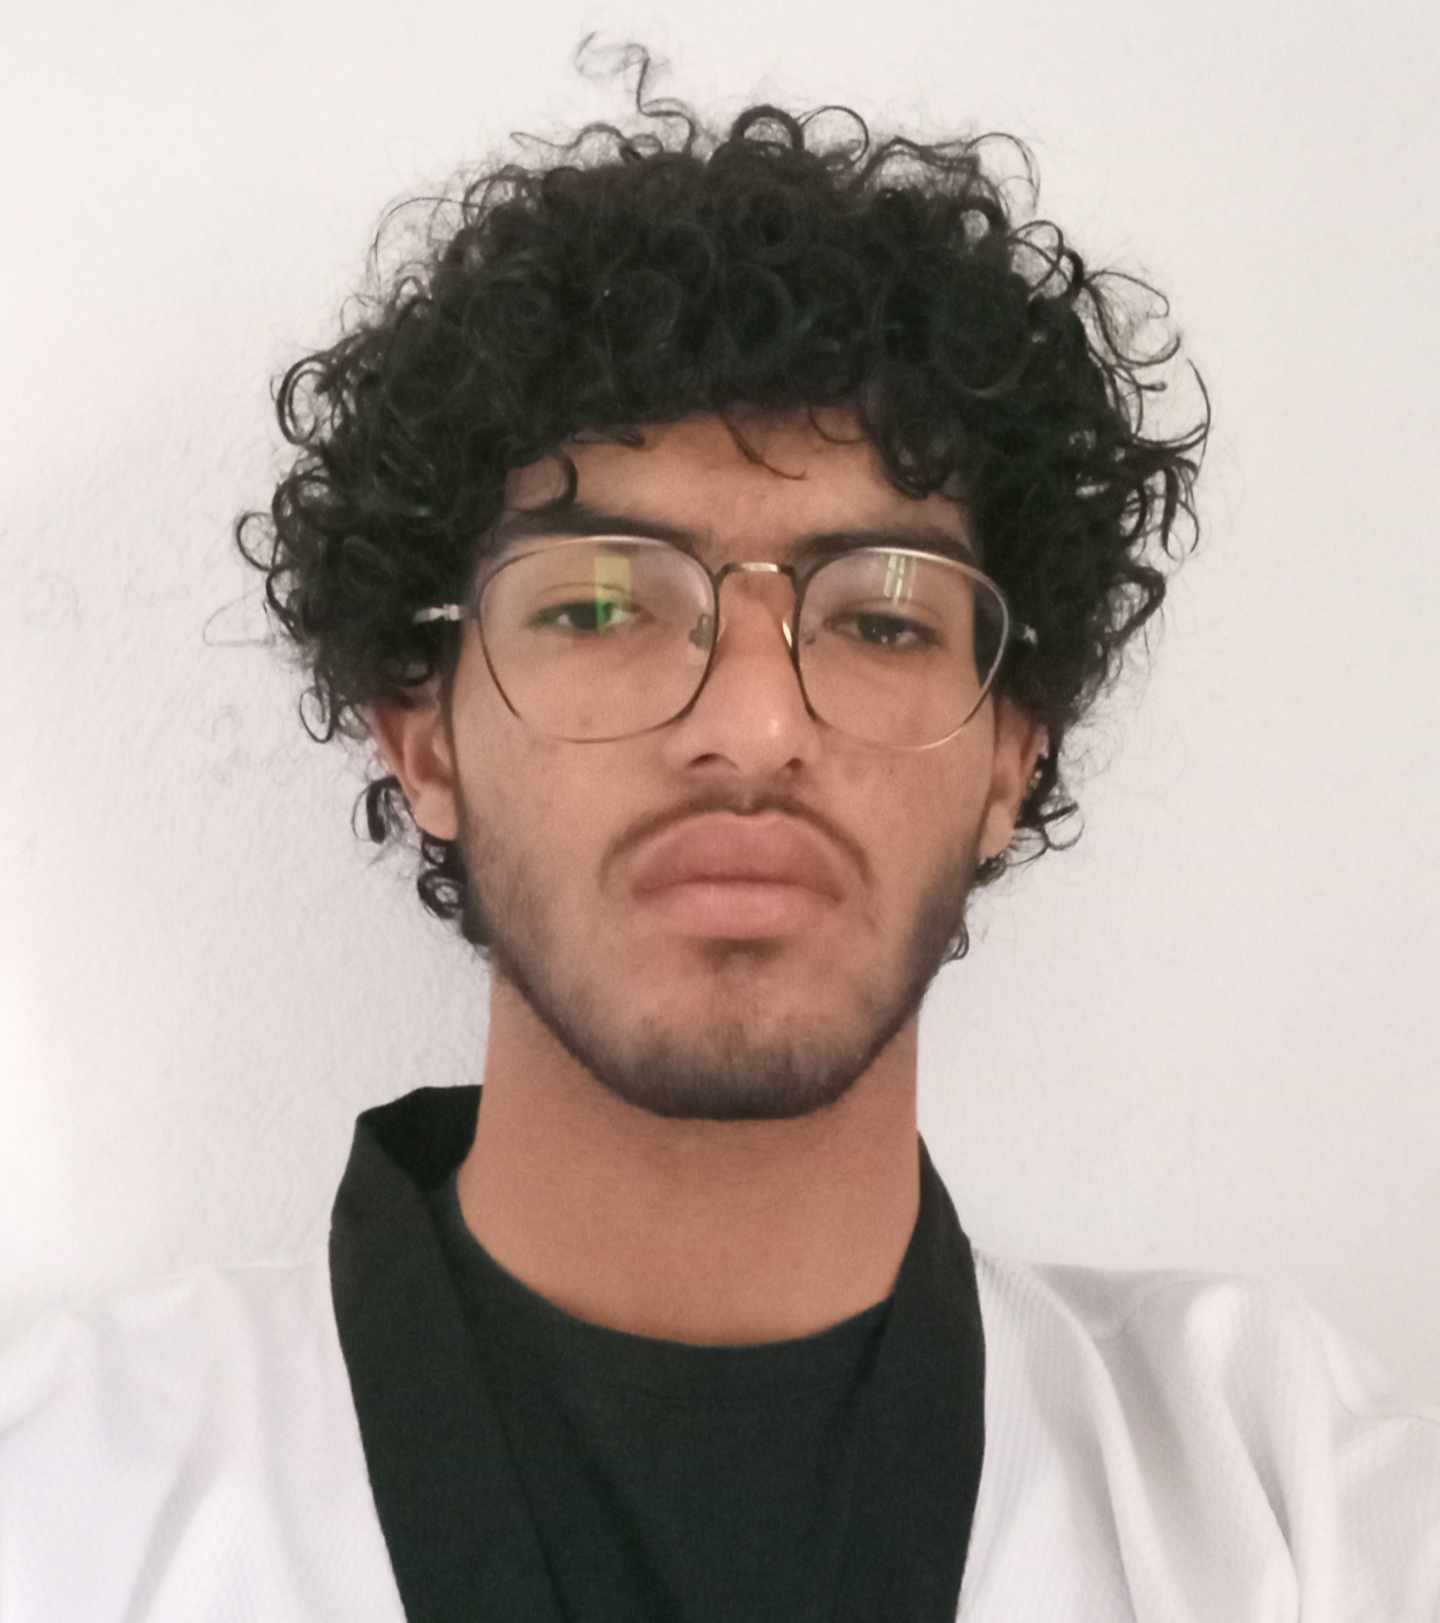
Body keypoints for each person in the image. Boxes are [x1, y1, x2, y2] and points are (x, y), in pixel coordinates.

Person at [4, 39, 1438, 1622]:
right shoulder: (58, 1500)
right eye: (596, 603)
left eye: (882, 619)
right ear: (425, 737)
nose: (753, 729)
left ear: (1008, 759)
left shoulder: (1292, 1503)